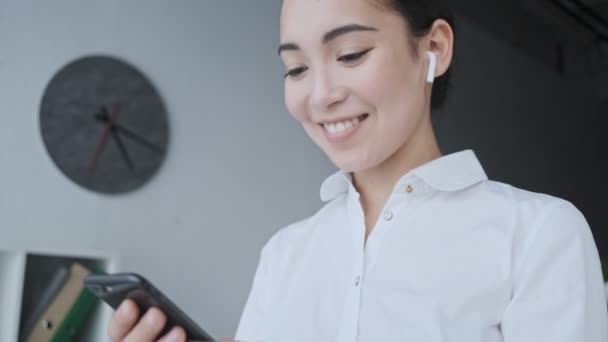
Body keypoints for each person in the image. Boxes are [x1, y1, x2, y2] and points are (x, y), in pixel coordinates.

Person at [107, 0, 608, 341]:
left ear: (433, 49)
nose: (321, 94)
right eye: (296, 68)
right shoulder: (285, 254)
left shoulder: (540, 234)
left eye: (350, 54)